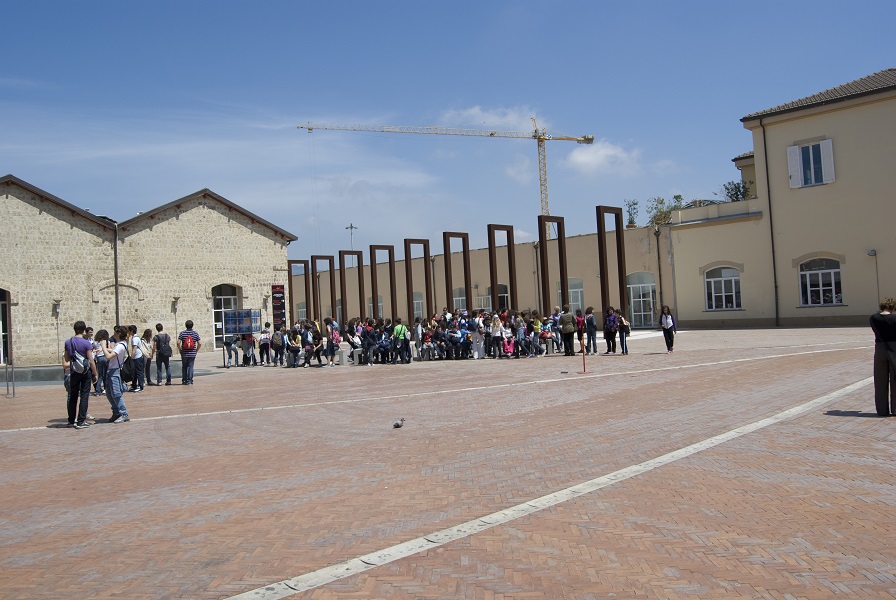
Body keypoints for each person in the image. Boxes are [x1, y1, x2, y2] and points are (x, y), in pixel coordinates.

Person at [63, 320, 98, 429]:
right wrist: (95, 373)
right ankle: (81, 420)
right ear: (83, 330)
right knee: (84, 395)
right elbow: (91, 360)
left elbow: (67, 358)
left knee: (73, 396)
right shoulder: (86, 343)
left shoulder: (68, 342)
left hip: (73, 371)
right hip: (85, 372)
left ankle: (71, 421)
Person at [870, 298, 896, 416]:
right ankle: (895, 409)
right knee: (895, 379)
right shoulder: (894, 318)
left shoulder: (874, 318)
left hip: (880, 348)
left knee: (880, 380)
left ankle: (882, 410)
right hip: (894, 348)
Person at [99, 325, 131, 423]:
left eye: (115, 333)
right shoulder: (119, 344)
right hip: (111, 370)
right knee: (109, 393)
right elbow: (113, 351)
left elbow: (109, 356)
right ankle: (116, 412)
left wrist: (103, 346)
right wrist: (102, 349)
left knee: (116, 393)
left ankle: (124, 413)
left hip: (115, 371)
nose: (113, 335)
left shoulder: (121, 345)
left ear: (119, 334)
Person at [177, 320, 201, 384]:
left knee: (184, 366)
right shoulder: (195, 333)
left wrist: (180, 350)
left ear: (186, 325)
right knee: (191, 366)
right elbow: (200, 343)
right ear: (192, 325)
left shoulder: (182, 333)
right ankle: (190, 380)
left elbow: (178, 342)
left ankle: (184, 380)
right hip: (192, 353)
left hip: (184, 353)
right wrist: (196, 350)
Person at [128, 324, 145, 392]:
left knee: (139, 372)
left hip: (137, 357)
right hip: (136, 357)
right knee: (134, 372)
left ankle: (141, 386)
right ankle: (134, 385)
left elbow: (134, 349)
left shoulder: (135, 339)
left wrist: (131, 358)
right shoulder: (134, 337)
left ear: (131, 331)